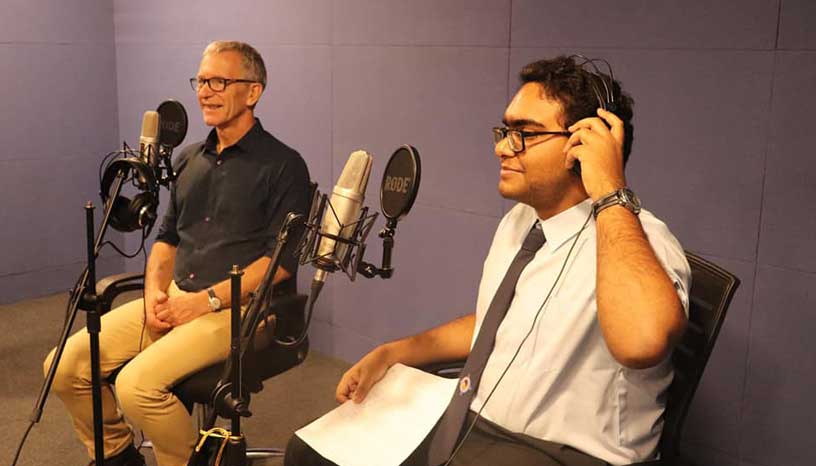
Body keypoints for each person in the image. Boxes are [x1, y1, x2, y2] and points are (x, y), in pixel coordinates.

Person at [284, 56, 690, 466]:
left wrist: (609, 189)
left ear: (587, 143)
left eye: (524, 134)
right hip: (479, 421)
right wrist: (396, 351)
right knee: (309, 454)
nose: (502, 147)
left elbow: (643, 343)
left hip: (564, 453)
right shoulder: (521, 221)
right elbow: (498, 321)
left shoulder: (642, 241)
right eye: (506, 131)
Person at [44, 40, 311, 466]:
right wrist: (154, 293)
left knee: (136, 386)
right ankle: (116, 454)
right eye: (201, 81)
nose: (205, 92)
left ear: (253, 92)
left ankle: (188, 461)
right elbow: (167, 239)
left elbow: (279, 265)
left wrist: (203, 303)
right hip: (175, 297)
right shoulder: (189, 159)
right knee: (63, 366)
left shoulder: (284, 165)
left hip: (240, 310)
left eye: (218, 81)